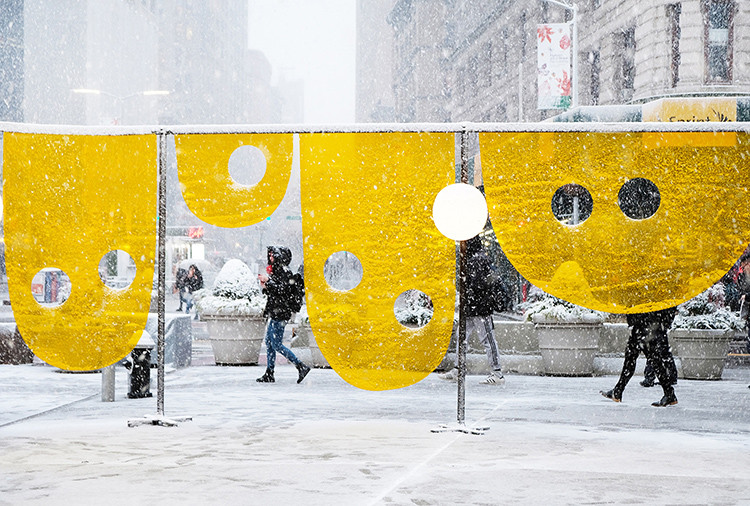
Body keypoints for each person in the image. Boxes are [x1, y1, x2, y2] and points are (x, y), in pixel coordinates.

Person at [440, 236, 505, 385]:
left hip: (478, 308)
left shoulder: (476, 259)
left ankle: (497, 374)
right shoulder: (476, 258)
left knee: (482, 339)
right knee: (464, 338)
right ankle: (459, 369)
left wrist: (467, 295)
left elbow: (477, 285)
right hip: (473, 307)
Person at [601, 308, 679, 407]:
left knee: (649, 360)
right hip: (647, 325)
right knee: (635, 358)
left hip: (646, 325)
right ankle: (618, 391)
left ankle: (669, 394)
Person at [256, 246, 310, 384]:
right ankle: (269, 372)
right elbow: (275, 292)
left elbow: (283, 290)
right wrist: (266, 286)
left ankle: (300, 365)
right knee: (269, 342)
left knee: (276, 344)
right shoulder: (277, 271)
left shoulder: (284, 272)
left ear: (280, 257)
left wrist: (269, 282)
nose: (270, 257)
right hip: (276, 311)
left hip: (281, 313)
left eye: (273, 255)